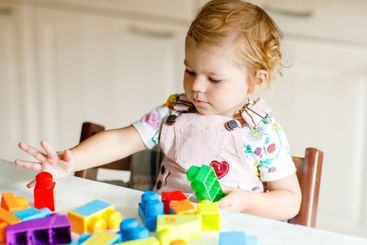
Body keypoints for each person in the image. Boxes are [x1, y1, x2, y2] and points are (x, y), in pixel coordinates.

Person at [14, 0, 301, 220]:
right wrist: (71, 161)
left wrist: (246, 202)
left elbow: (289, 200)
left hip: (232, 228)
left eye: (213, 78)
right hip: (164, 225)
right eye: (190, 70)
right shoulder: (173, 113)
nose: (197, 86)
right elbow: (122, 139)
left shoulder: (261, 133)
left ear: (256, 80)